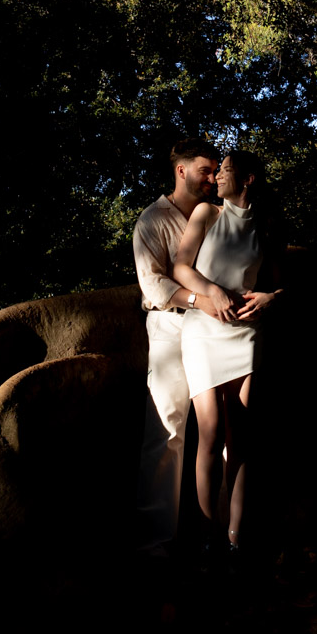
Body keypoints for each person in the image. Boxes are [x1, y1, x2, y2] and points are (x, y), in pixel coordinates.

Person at [172, 151, 282, 557]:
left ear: (249, 178)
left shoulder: (265, 226)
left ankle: (235, 538)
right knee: (211, 430)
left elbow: (279, 284)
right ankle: (207, 535)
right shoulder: (207, 214)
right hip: (203, 331)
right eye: (215, 169)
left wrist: (271, 298)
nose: (216, 175)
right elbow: (181, 268)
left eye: (225, 169)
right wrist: (211, 290)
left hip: (246, 335)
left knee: (240, 440)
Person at [132, 137, 221, 557]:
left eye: (216, 170)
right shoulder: (152, 220)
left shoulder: (220, 217)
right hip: (170, 325)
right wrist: (198, 300)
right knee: (167, 428)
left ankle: (217, 531)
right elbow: (152, 282)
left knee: (220, 426)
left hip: (217, 330)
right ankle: (156, 540)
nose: (213, 178)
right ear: (181, 170)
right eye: (206, 170)